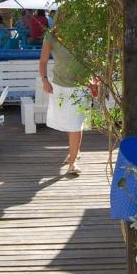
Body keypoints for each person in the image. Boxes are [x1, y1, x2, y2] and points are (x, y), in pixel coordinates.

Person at [39, 14, 89, 177]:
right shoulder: (51, 36)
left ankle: (73, 161)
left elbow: (92, 57)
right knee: (70, 122)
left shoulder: (84, 34)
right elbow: (43, 61)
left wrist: (94, 80)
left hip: (81, 86)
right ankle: (75, 151)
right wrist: (45, 79)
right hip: (59, 86)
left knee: (76, 123)